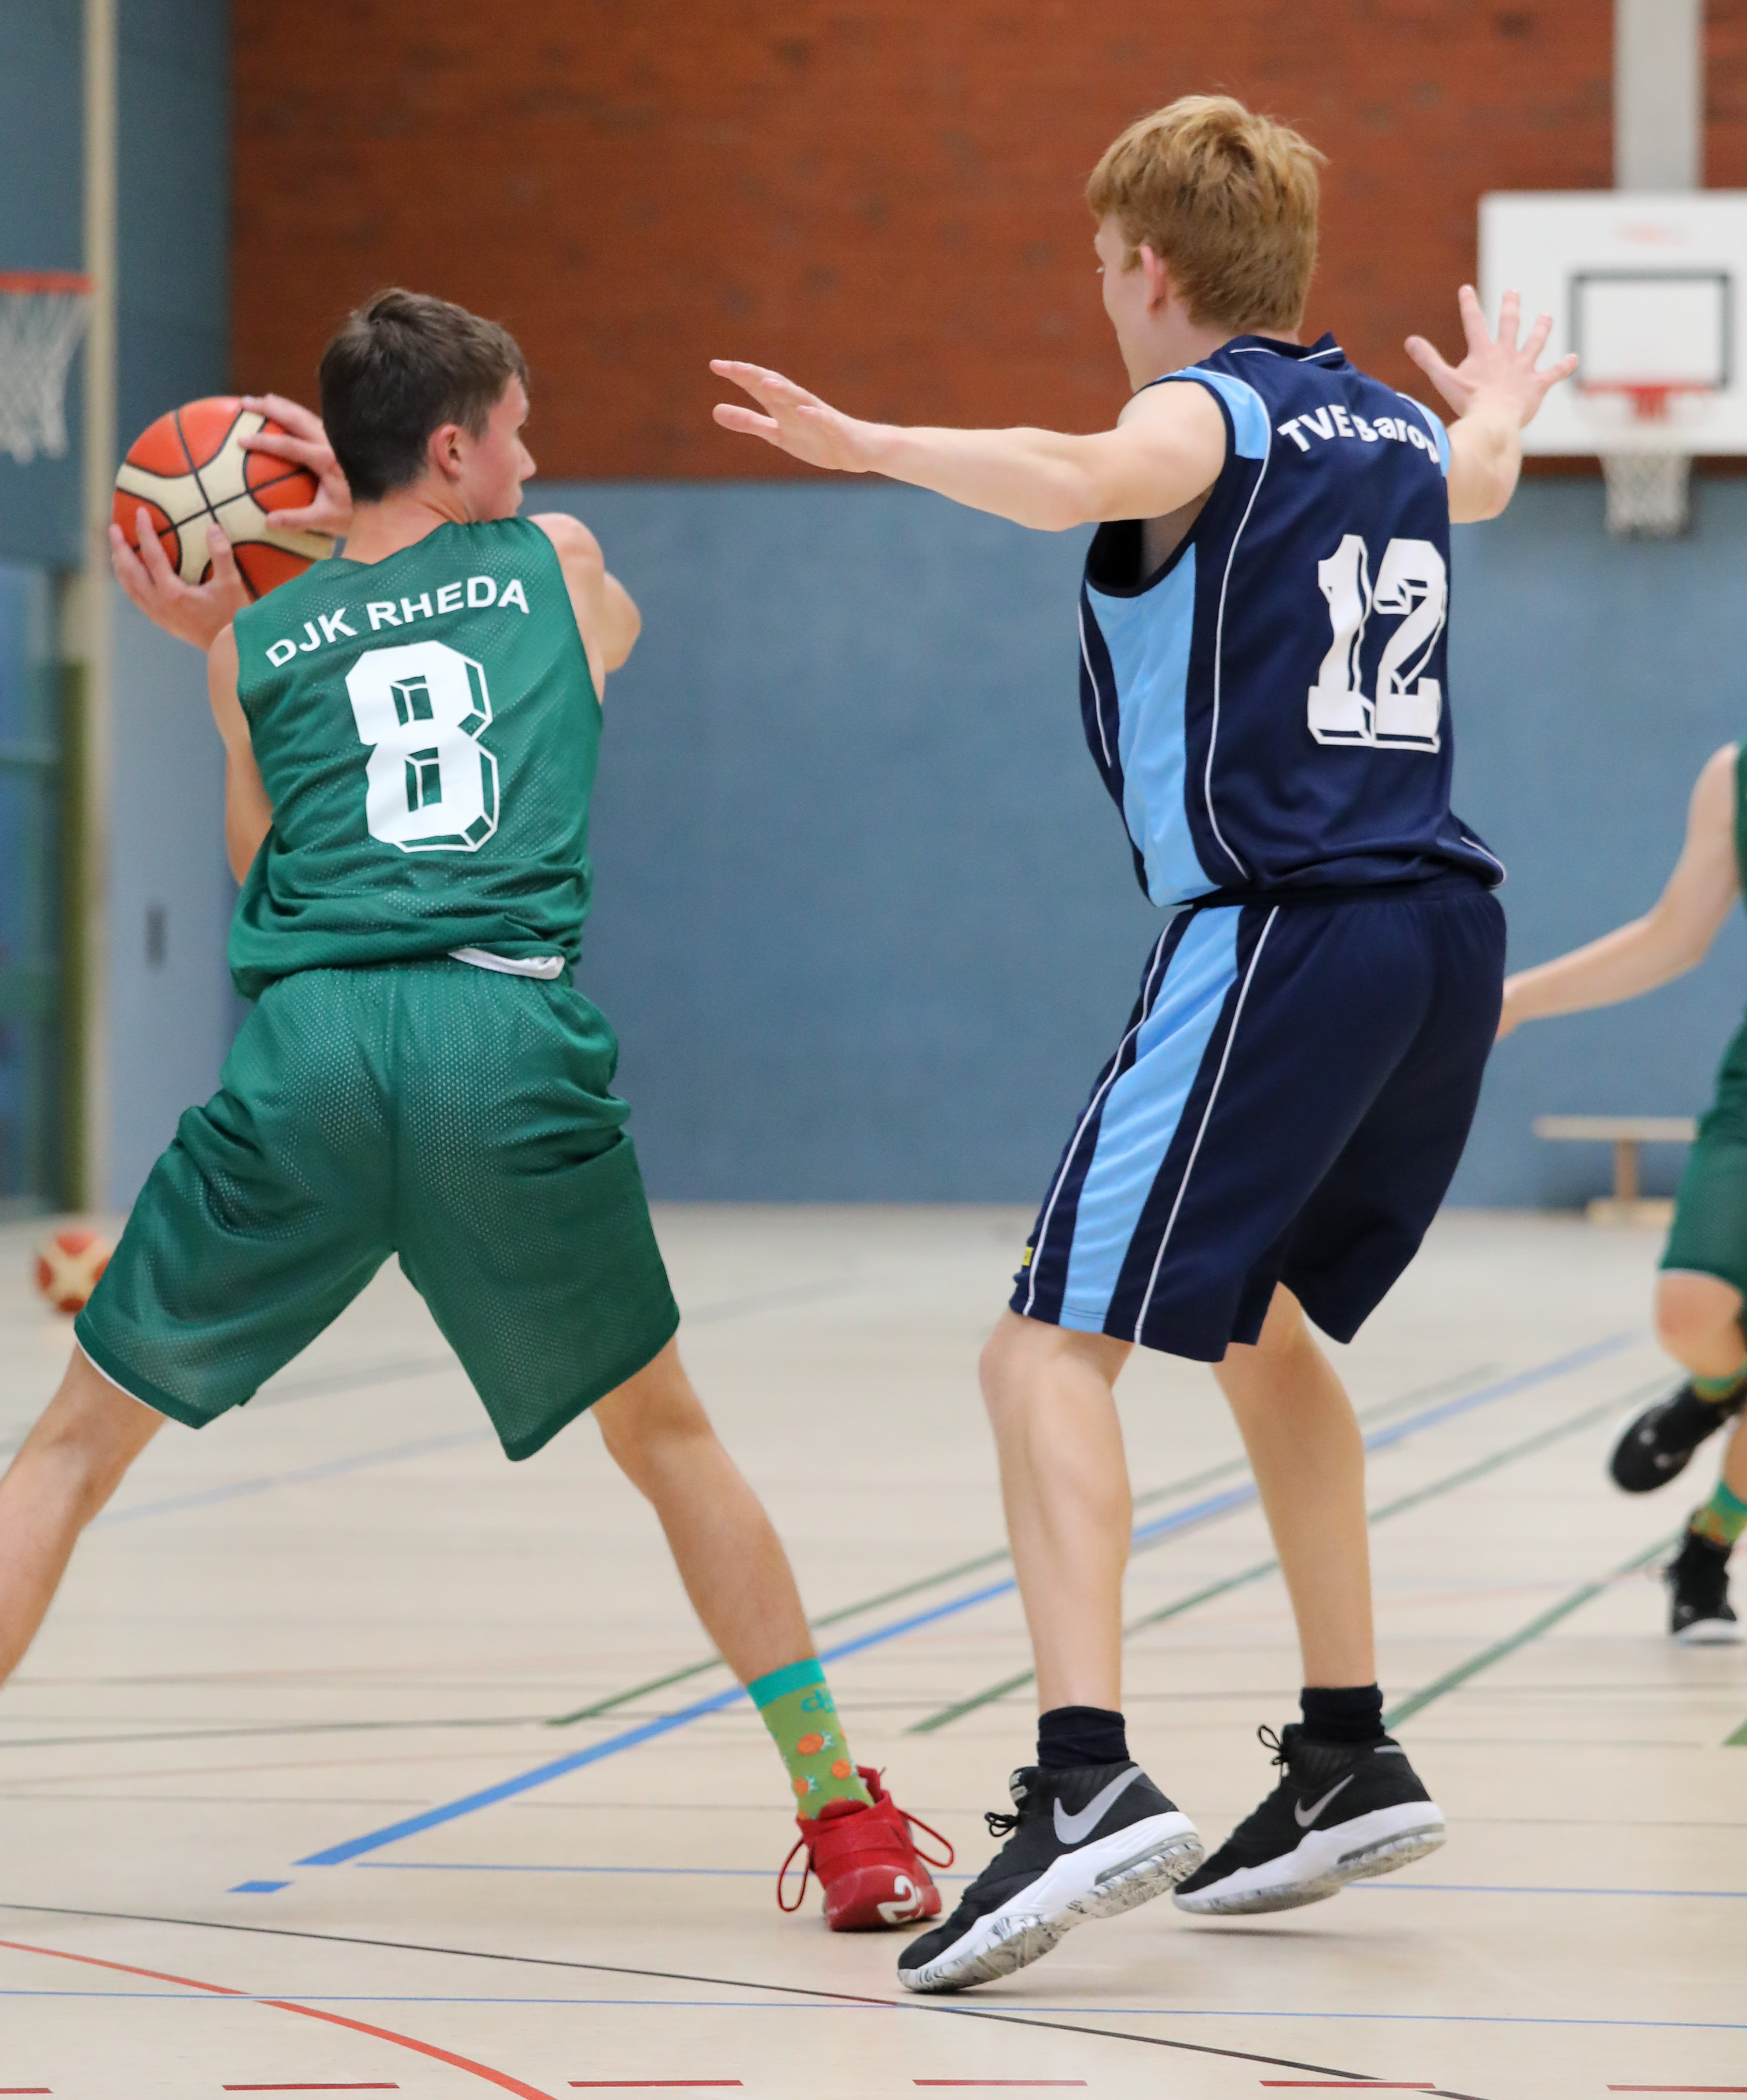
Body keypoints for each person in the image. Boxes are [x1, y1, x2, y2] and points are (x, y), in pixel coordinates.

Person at [0, 289, 945, 1949]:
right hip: (505, 1037)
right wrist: (363, 534)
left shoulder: (248, 652)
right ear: (456, 447)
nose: (533, 463)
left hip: (313, 1051)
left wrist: (250, 621)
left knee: (72, 1450)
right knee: (668, 1441)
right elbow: (605, 641)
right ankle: (849, 1823)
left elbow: (261, 865)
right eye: (516, 433)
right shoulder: (559, 563)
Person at [711, 95, 1573, 1993]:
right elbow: (1492, 476)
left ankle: (1084, 1777)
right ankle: (1346, 1749)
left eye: (1103, 262)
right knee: (1259, 1331)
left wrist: (872, 445)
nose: (1100, 291)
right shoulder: (1393, 431)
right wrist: (1504, 400)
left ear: (1153, 268)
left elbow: (1074, 465)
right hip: (1440, 929)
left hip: (1285, 927)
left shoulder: (1211, 414)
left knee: (1040, 1351)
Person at [1497, 749, 1747, 1641]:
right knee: (1690, 1310)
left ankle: (1707, 1548)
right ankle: (1716, 1386)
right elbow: (1674, 935)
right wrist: (1518, 999)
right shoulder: (1734, 774)